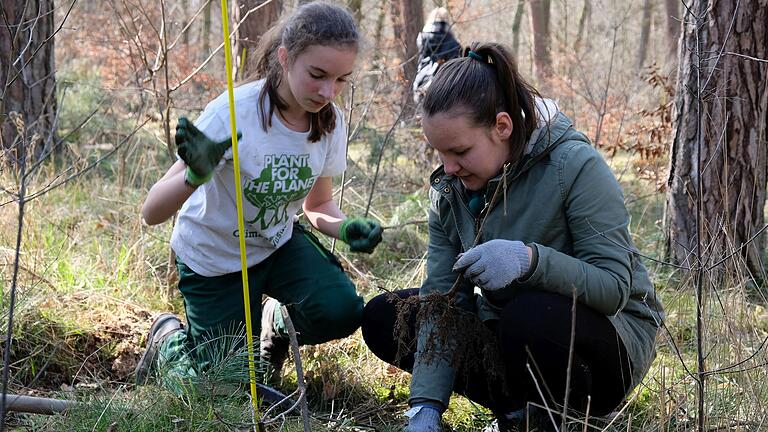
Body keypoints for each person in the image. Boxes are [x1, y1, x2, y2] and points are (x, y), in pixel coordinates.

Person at [362, 42, 663, 432]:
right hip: (511, 335)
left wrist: (529, 261)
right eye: (439, 153)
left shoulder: (574, 165)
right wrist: (425, 407)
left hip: (604, 345)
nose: (448, 168)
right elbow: (444, 300)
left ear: (502, 127)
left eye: (460, 151)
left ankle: (558, 416)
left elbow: (613, 287)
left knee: (530, 315)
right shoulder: (449, 190)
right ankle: (517, 410)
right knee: (388, 316)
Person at [136, 1, 382, 392]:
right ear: (285, 58)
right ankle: (168, 340)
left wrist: (345, 227)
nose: (327, 91)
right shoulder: (232, 113)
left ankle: (273, 324)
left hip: (275, 247)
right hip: (212, 260)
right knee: (223, 388)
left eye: (341, 80)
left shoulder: (330, 122)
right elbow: (151, 211)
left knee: (340, 310)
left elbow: (316, 207)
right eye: (317, 75)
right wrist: (195, 175)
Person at [412, 7, 461, 104]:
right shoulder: (453, 43)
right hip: (445, 89)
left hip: (422, 84)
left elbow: (421, 62)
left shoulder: (422, 38)